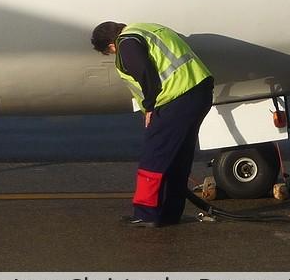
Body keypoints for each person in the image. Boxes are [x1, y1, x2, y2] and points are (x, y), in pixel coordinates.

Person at [91, 21, 215, 227]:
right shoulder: (148, 28)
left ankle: (147, 214)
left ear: (110, 46)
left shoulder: (126, 42)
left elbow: (145, 71)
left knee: (154, 156)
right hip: (199, 92)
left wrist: (149, 106)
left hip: (176, 99)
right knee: (177, 157)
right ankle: (169, 213)